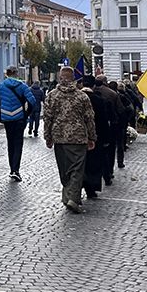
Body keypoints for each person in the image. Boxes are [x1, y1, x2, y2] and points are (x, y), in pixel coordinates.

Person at [43, 66, 96, 214]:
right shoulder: (82, 96)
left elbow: (47, 118)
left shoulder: (52, 96)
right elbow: (89, 118)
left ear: (60, 78)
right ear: (73, 78)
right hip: (78, 137)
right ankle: (72, 198)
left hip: (59, 137)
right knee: (76, 169)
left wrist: (48, 136)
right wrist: (92, 137)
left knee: (64, 169)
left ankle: (68, 197)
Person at [0, 66, 39, 182]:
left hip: (7, 118)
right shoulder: (22, 86)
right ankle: (15, 170)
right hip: (19, 118)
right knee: (18, 144)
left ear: (6, 74)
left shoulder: (0, 86)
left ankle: (11, 168)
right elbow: (32, 101)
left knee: (10, 143)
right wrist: (27, 114)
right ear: (16, 73)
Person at [81, 75, 117, 199]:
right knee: (95, 163)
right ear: (94, 86)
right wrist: (106, 138)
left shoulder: (76, 98)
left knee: (81, 163)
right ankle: (91, 188)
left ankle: (79, 186)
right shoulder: (98, 100)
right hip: (96, 137)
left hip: (78, 137)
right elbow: (103, 120)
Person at [92, 75, 123, 185]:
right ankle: (108, 172)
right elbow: (120, 109)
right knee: (108, 151)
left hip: (91, 128)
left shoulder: (89, 93)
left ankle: (95, 177)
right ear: (105, 82)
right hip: (109, 125)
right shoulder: (112, 94)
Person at [108, 79, 134, 169]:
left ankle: (110, 168)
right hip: (120, 124)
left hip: (110, 125)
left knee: (111, 146)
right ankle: (120, 162)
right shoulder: (121, 96)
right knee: (120, 144)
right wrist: (127, 119)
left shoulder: (107, 96)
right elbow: (130, 109)